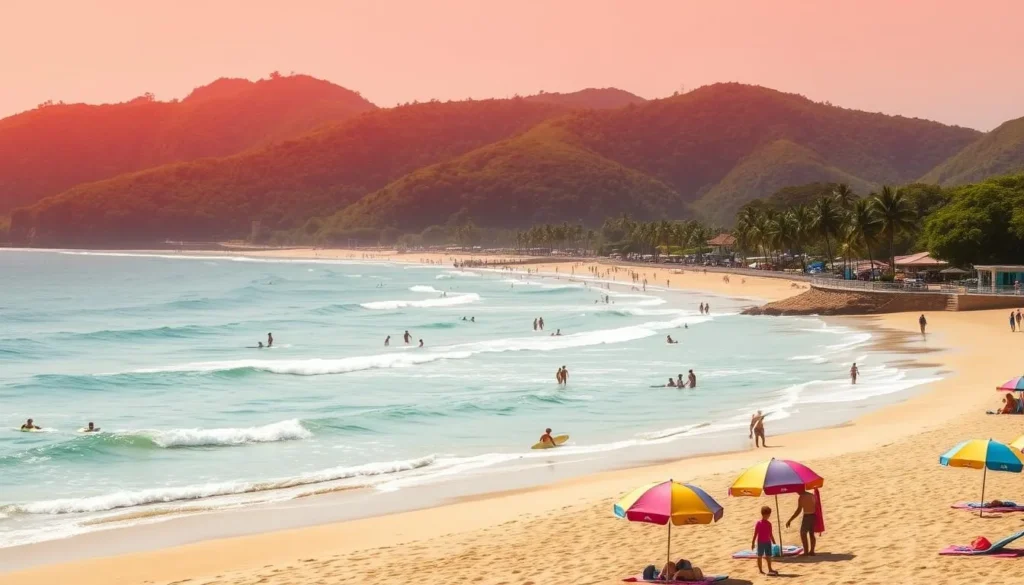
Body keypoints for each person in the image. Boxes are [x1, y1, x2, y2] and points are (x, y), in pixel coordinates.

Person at [786, 488, 818, 556]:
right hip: (814, 516)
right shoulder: (812, 495)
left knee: (803, 533)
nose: (796, 492)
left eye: (797, 490)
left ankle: (806, 552)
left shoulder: (801, 497)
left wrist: (790, 520)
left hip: (807, 516)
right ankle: (812, 551)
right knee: (811, 534)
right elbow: (816, 506)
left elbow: (798, 510)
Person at [752, 505, 780, 576]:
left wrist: (774, 542)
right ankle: (760, 570)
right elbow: (755, 533)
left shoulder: (769, 524)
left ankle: (770, 568)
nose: (769, 516)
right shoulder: (759, 523)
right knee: (759, 556)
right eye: (768, 515)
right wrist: (753, 543)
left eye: (769, 515)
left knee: (768, 556)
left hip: (768, 542)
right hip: (760, 542)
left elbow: (770, 534)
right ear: (764, 514)